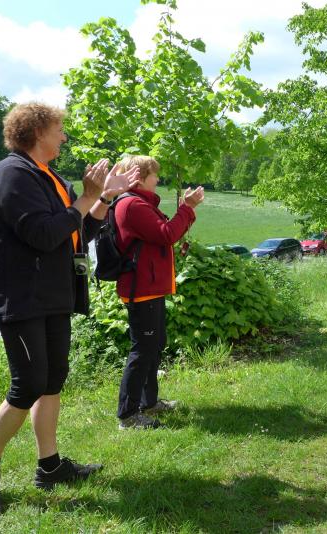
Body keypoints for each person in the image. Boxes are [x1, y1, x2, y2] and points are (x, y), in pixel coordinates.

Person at [0, 102, 139, 517]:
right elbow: (44, 235)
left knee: (52, 380)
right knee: (27, 385)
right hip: (20, 297)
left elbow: (78, 230)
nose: (64, 136)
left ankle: (49, 466)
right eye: (59, 129)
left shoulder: (49, 177)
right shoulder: (11, 175)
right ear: (36, 131)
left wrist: (103, 198)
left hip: (51, 295)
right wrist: (87, 197)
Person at [113, 155, 204, 429]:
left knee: (154, 344)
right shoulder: (133, 205)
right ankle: (128, 416)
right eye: (154, 174)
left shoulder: (140, 204)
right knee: (143, 349)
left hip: (149, 286)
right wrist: (187, 208)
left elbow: (165, 235)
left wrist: (186, 211)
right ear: (140, 177)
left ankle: (149, 402)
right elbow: (166, 234)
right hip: (142, 288)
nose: (158, 178)